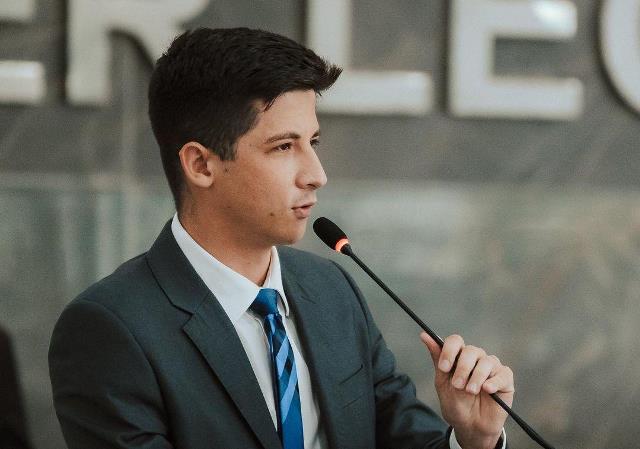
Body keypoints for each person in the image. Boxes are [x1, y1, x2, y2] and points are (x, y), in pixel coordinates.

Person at [49, 27, 514, 449]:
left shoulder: (331, 290)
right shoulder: (110, 329)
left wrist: (473, 441)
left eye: (314, 142)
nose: (316, 174)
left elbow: (401, 436)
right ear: (201, 164)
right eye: (284, 147)